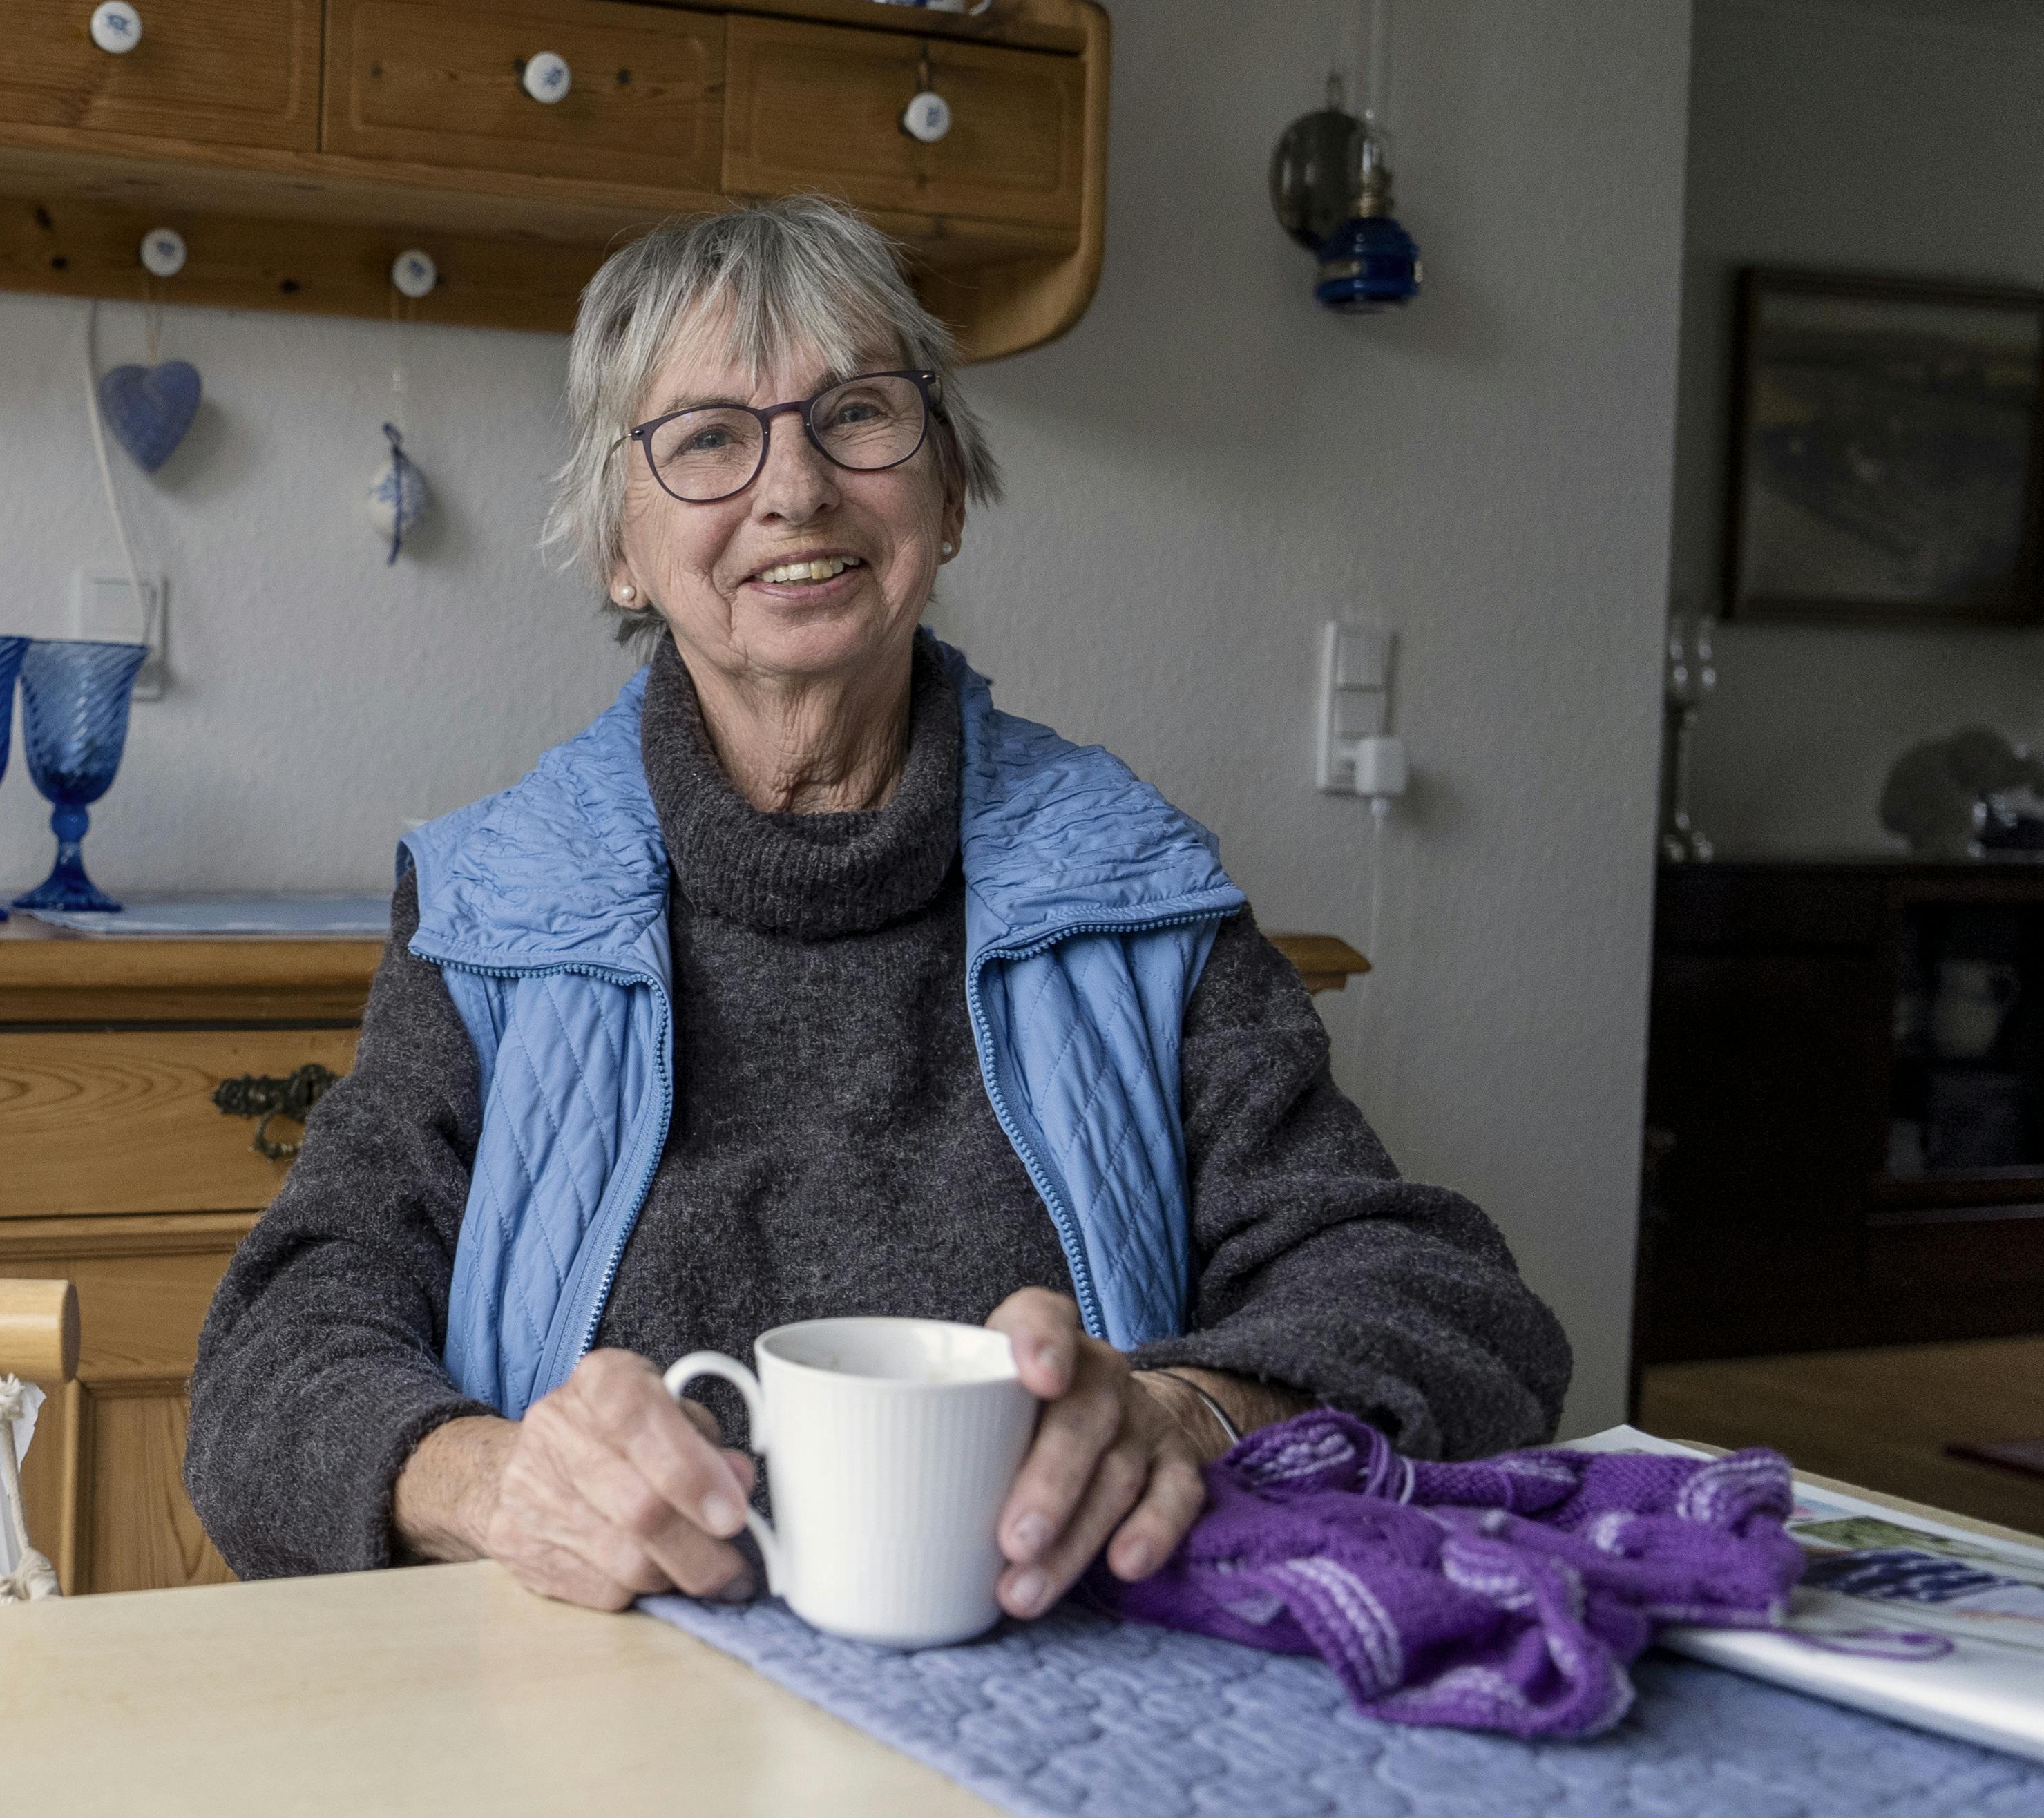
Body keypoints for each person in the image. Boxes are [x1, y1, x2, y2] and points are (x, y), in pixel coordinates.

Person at [184, 197, 1569, 1621]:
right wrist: (490, 1478)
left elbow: (1446, 1302)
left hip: (1063, 1683)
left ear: (950, 494)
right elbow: (271, 1361)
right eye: (710, 436)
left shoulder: (1127, 884)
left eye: (856, 413)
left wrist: (1187, 1411)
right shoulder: (494, 905)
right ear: (619, 545)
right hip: (595, 1692)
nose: (797, 487)